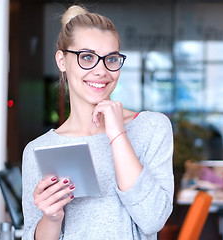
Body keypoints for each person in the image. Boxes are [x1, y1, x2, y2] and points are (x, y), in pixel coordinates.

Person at [21, 4, 174, 240]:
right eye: (87, 57)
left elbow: (153, 219)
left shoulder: (151, 127)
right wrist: (52, 217)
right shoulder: (38, 150)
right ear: (62, 61)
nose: (101, 70)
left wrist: (117, 135)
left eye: (111, 59)